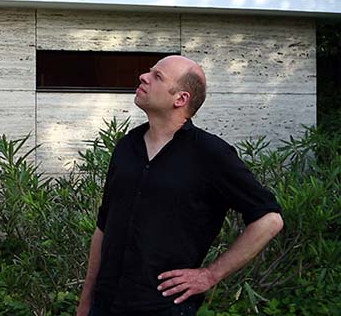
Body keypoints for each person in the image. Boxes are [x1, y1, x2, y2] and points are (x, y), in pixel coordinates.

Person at [76, 55, 284, 316]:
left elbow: (270, 219)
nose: (144, 77)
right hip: (104, 306)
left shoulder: (210, 154)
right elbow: (103, 228)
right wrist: (86, 302)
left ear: (181, 99)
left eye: (157, 76)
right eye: (150, 72)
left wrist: (210, 274)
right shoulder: (127, 147)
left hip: (162, 309)